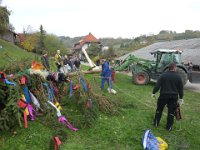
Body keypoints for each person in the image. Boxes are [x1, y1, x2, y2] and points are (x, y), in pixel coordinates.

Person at [152, 63, 183, 131]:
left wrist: (153, 92)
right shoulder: (178, 77)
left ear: (168, 68)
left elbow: (157, 85)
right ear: (175, 68)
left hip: (163, 95)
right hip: (173, 97)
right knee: (171, 112)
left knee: (159, 109)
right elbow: (180, 89)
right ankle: (169, 127)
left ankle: (156, 123)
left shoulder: (163, 75)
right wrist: (181, 98)